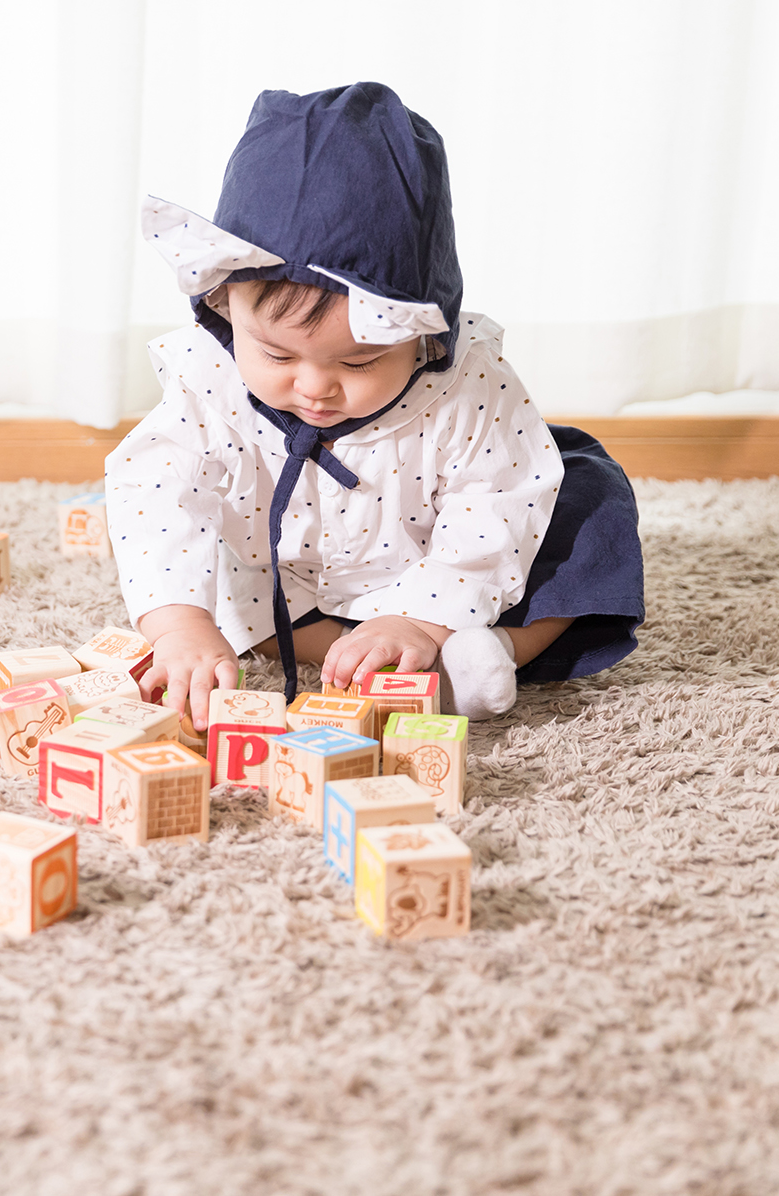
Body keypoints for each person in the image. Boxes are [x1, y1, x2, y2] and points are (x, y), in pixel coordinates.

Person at [106, 82, 644, 726]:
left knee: (583, 498)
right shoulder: (208, 380)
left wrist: (417, 616)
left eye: (359, 363)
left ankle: (489, 651)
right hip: (287, 575)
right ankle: (351, 659)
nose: (314, 387)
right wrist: (179, 628)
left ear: (424, 337)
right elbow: (154, 491)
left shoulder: (467, 385)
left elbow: (499, 502)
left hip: (441, 561)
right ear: (223, 305)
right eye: (277, 356)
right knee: (208, 577)